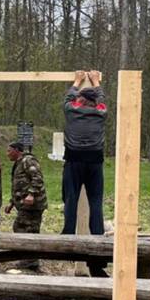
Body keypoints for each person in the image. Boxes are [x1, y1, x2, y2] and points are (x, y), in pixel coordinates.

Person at [61, 70, 109, 277]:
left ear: (81, 100)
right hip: (94, 162)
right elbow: (101, 97)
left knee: (71, 199)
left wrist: (76, 81)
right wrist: (96, 82)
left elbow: (68, 98)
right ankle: (98, 240)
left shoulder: (72, 111)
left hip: (74, 161)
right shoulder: (101, 112)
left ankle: (68, 237)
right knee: (96, 203)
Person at [5, 141, 47, 271]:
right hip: (25, 205)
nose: (7, 154)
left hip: (33, 205)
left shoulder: (28, 161)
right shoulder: (19, 163)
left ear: (17, 150)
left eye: (9, 150)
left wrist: (31, 194)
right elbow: (20, 185)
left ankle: (30, 261)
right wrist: (12, 203)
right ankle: (30, 260)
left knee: (25, 229)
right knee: (25, 229)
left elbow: (37, 178)